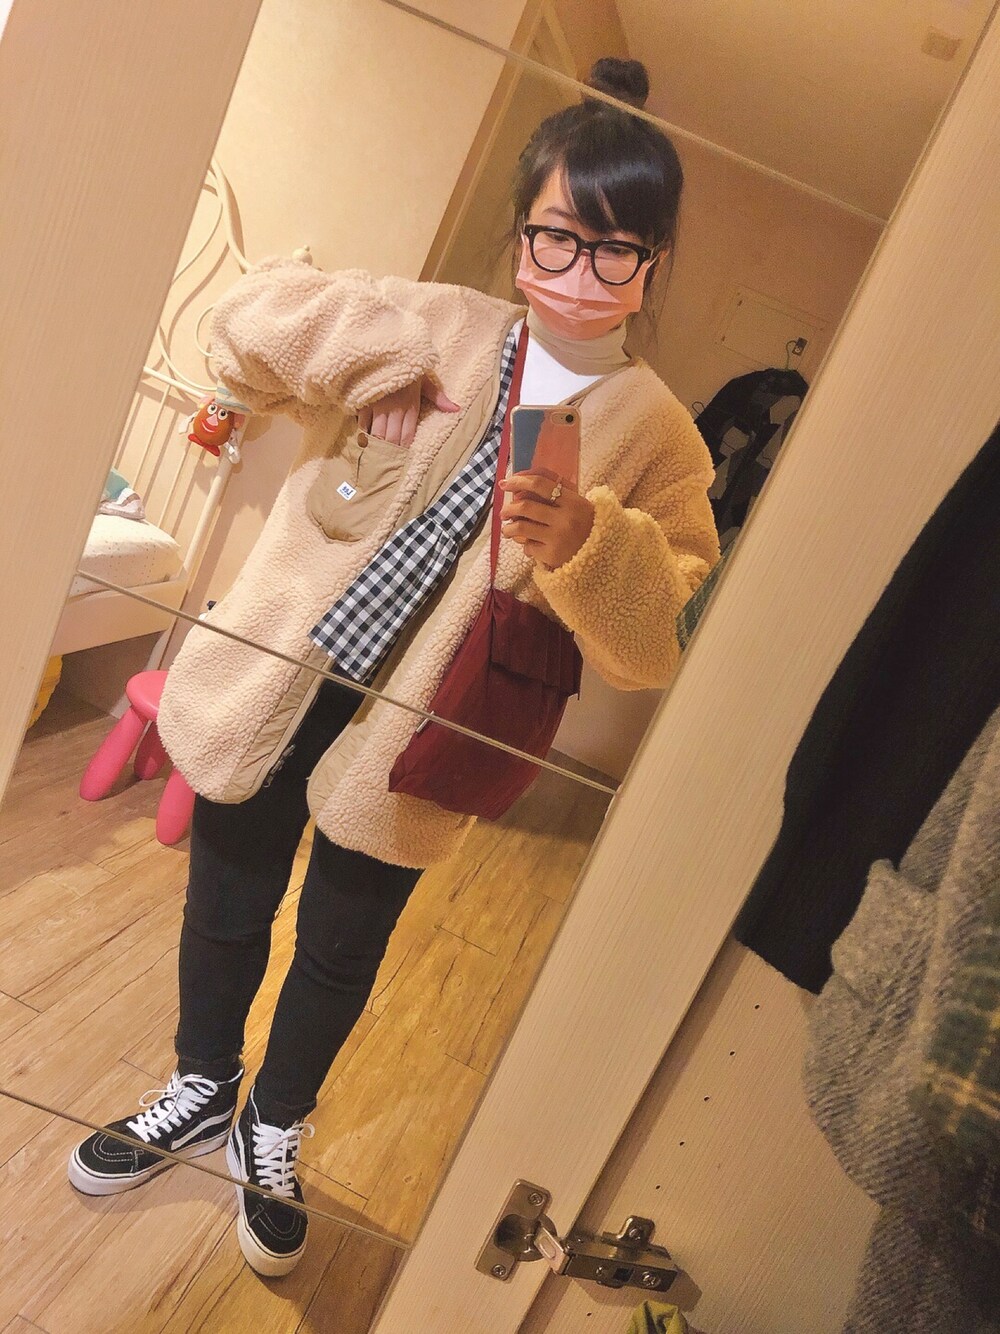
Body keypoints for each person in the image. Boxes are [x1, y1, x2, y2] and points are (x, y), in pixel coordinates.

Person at [67, 57, 720, 1277]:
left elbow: (656, 638)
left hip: (431, 725)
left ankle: (272, 1123)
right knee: (224, 901)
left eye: (614, 250)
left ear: (653, 259)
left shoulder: (658, 432)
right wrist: (369, 361)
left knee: (341, 945)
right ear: (521, 228)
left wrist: (589, 541)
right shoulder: (435, 321)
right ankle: (201, 1084)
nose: (578, 273)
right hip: (287, 672)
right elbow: (243, 322)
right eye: (556, 236)